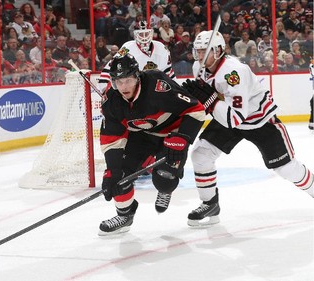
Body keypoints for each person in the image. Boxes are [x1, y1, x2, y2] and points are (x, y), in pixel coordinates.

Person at [181, 30, 314, 227]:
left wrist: (209, 101)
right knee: (201, 154)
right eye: (198, 52)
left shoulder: (234, 72)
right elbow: (217, 108)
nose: (199, 57)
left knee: (286, 169)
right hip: (228, 115)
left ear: (217, 51)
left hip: (259, 120)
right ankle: (210, 203)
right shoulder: (198, 68)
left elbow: (235, 117)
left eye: (204, 52)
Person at [99, 53, 205, 235]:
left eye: (128, 81)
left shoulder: (157, 86)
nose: (124, 87)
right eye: (118, 82)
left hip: (172, 136)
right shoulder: (111, 100)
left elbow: (196, 110)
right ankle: (125, 215)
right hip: (142, 136)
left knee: (163, 180)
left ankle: (166, 189)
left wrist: (181, 139)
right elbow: (112, 139)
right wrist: (112, 171)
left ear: (137, 76)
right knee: (119, 175)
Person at [99, 20, 176, 87]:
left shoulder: (161, 47)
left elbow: (168, 71)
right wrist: (103, 83)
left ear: (151, 33)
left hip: (157, 87)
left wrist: (176, 89)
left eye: (146, 34)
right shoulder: (127, 48)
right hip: (136, 87)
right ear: (136, 34)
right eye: (141, 34)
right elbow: (113, 64)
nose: (144, 37)